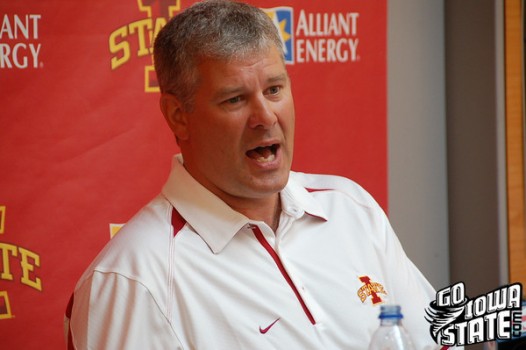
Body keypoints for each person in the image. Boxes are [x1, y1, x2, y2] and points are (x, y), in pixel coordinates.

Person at [66, 1, 438, 349]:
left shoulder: (352, 208)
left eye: (274, 90)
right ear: (178, 115)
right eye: (235, 99)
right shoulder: (132, 280)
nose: (265, 117)